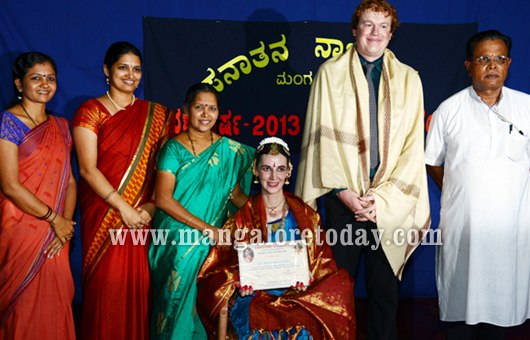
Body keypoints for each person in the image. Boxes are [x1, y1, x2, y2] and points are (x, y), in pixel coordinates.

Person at [295, 1, 430, 339]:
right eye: (368, 25)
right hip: (344, 202)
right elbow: (319, 140)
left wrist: (379, 201)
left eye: (383, 26)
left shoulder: (410, 79)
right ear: (354, 30)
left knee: (385, 294)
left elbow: (413, 148)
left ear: (391, 34)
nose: (375, 33)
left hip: (389, 203)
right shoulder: (330, 73)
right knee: (337, 292)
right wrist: (346, 196)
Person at [425, 30, 530, 339]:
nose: (492, 66)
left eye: (499, 58)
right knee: (460, 310)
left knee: (501, 313)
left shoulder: (526, 108)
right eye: (484, 59)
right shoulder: (449, 110)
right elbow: (432, 162)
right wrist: (460, 191)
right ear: (469, 65)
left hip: (510, 231)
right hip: (464, 228)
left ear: (509, 63)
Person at [197, 137, 356, 339]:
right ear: (255, 170)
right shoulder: (241, 218)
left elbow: (323, 263)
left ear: (289, 171)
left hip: (297, 295)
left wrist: (308, 276)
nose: (273, 176)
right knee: (259, 325)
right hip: (255, 297)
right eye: (266, 169)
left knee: (309, 320)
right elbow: (216, 269)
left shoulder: (306, 216)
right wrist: (238, 282)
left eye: (280, 169)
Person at [73, 41, 175, 340]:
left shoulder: (155, 115)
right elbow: (87, 169)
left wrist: (152, 207)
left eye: (136, 69)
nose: (130, 75)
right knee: (107, 291)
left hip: (142, 217)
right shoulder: (90, 110)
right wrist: (124, 208)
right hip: (107, 215)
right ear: (107, 70)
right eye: (123, 68)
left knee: (137, 289)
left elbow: (164, 170)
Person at [148, 82, 254, 339]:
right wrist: (208, 229)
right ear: (186, 111)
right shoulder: (173, 149)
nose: (206, 114)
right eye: (199, 107)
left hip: (213, 241)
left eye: (212, 108)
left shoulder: (233, 152)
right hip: (175, 239)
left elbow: (237, 197)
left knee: (203, 308)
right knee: (174, 306)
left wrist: (270, 212)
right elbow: (162, 199)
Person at [0, 52, 76, 339]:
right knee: (22, 303)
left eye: (51, 78)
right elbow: (10, 185)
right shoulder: (7, 123)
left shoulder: (61, 126)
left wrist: (65, 227)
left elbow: (69, 182)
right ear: (19, 84)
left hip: (58, 233)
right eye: (36, 78)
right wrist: (54, 219)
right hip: (20, 227)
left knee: (56, 301)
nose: (45, 84)